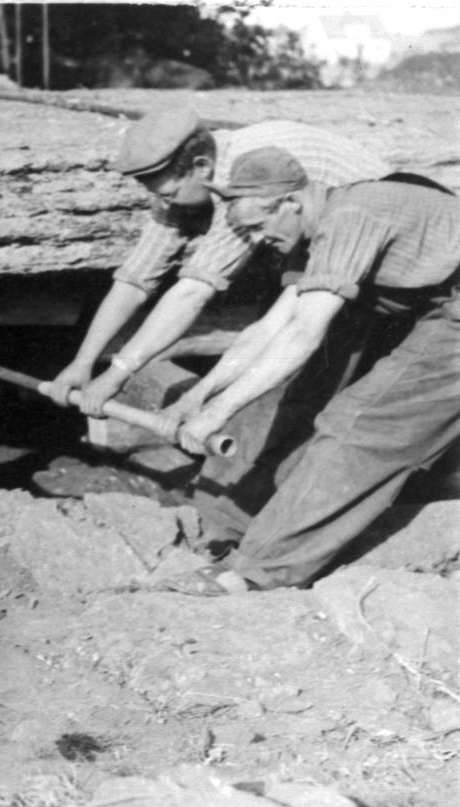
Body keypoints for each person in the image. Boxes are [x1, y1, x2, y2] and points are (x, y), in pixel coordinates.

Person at [156, 146, 460, 596]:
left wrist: (216, 414)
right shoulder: (314, 228)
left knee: (360, 423)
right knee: (301, 390)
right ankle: (236, 532)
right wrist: (198, 397)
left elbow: (303, 334)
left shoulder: (349, 217)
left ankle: (258, 572)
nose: (257, 240)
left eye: (258, 227)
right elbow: (269, 330)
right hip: (442, 306)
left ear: (291, 202)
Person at [47, 109, 390, 427]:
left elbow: (193, 293)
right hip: (305, 248)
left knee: (291, 384)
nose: (163, 204)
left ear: (201, 166)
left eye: (169, 194)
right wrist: (83, 362)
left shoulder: (239, 185)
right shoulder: (190, 177)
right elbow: (134, 280)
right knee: (260, 358)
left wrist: (116, 374)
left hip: (367, 254)